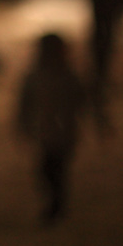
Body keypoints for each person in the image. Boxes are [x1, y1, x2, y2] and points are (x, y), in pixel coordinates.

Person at [16, 33, 89, 223]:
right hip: (48, 133)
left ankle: (56, 206)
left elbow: (83, 101)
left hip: (63, 134)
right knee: (47, 171)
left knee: (55, 171)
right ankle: (55, 204)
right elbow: (24, 104)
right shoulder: (36, 77)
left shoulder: (67, 78)